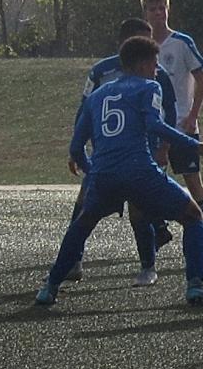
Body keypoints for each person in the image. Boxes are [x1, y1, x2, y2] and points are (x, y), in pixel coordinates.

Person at [35, 36, 203, 306]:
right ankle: (195, 285)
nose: (157, 69)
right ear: (144, 63)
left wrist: (94, 173)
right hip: (139, 170)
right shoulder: (149, 87)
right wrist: (196, 145)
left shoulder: (97, 96)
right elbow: (154, 125)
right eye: (155, 63)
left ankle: (49, 286)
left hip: (104, 174)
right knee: (194, 216)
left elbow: (76, 148)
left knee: (83, 224)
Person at [61, 18, 178, 287]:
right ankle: (73, 262)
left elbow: (169, 111)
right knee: (84, 206)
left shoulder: (156, 73)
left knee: (139, 210)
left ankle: (148, 266)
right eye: (143, 41)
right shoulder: (101, 71)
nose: (151, 47)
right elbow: (85, 110)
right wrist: (76, 145)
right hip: (105, 153)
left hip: (141, 151)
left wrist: (164, 146)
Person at [142, 0, 203, 256]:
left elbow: (200, 77)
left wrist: (193, 114)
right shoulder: (141, 45)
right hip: (154, 127)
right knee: (149, 180)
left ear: (168, 10)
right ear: (146, 13)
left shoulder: (181, 42)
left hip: (182, 125)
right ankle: (159, 230)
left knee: (192, 180)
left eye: (162, 8)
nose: (158, 13)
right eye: (153, 9)